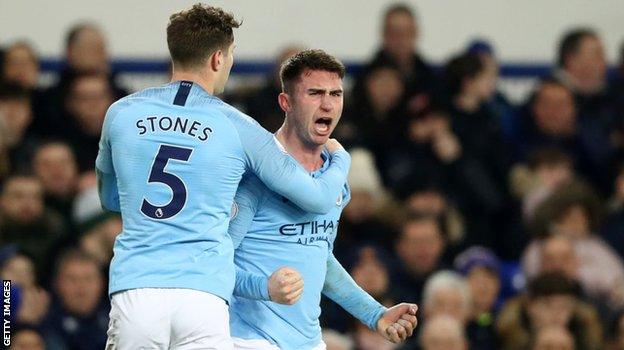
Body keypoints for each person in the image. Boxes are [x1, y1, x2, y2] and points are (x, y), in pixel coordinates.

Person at [97, 4, 351, 349]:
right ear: (218, 58)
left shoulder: (121, 113)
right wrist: (340, 158)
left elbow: (111, 198)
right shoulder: (239, 127)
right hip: (204, 297)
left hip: (138, 288)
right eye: (231, 55)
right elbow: (319, 198)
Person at [227, 49, 417, 350]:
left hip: (309, 342)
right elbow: (214, 263)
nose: (327, 104)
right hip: (247, 339)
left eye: (335, 93)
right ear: (286, 102)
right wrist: (263, 288)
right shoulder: (254, 177)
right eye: (314, 93)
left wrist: (375, 313)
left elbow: (319, 258)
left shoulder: (334, 180)